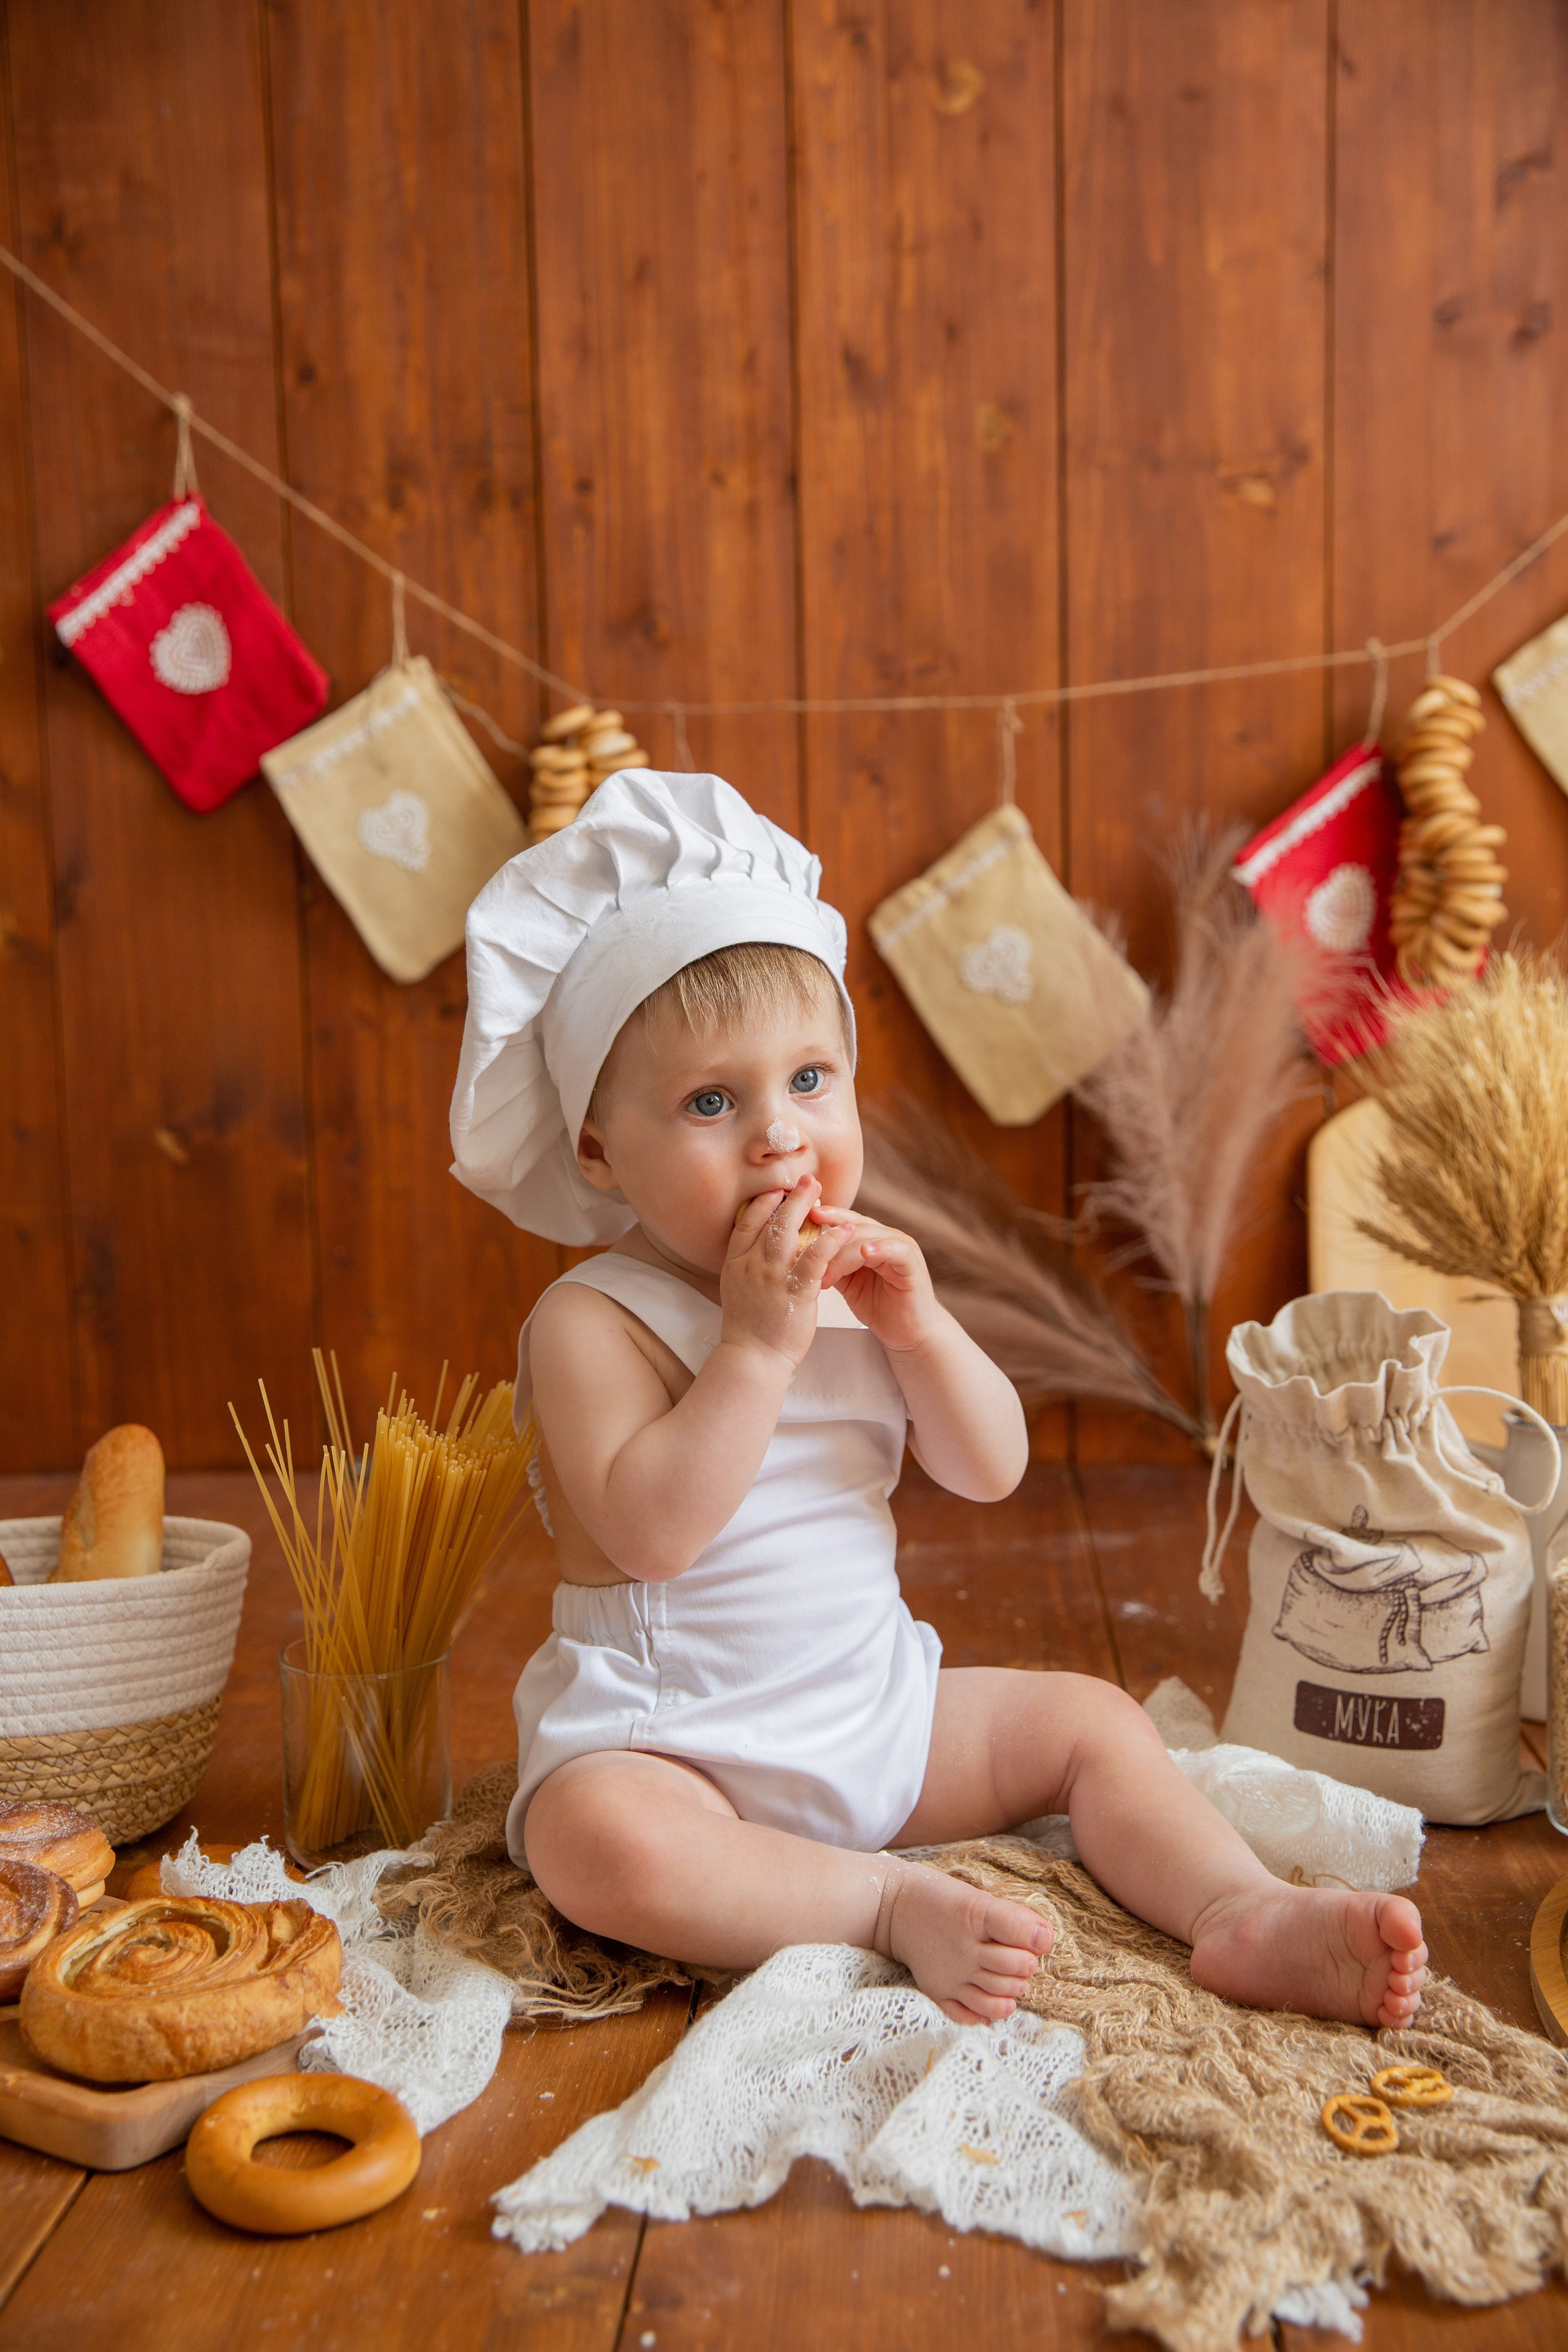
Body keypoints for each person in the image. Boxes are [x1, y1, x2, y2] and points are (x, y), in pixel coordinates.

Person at [450, 770, 1427, 2029]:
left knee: (1087, 1720)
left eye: (810, 1079)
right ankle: (878, 1905)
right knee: (594, 1847)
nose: (777, 1136)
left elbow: (989, 1467)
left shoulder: (858, 1283)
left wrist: (920, 1332)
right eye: (710, 1102)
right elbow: (653, 1535)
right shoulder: (592, 1321)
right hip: (675, 1748)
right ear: (598, 1152)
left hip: (877, 1714)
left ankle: (1240, 1908)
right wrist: (754, 1351)